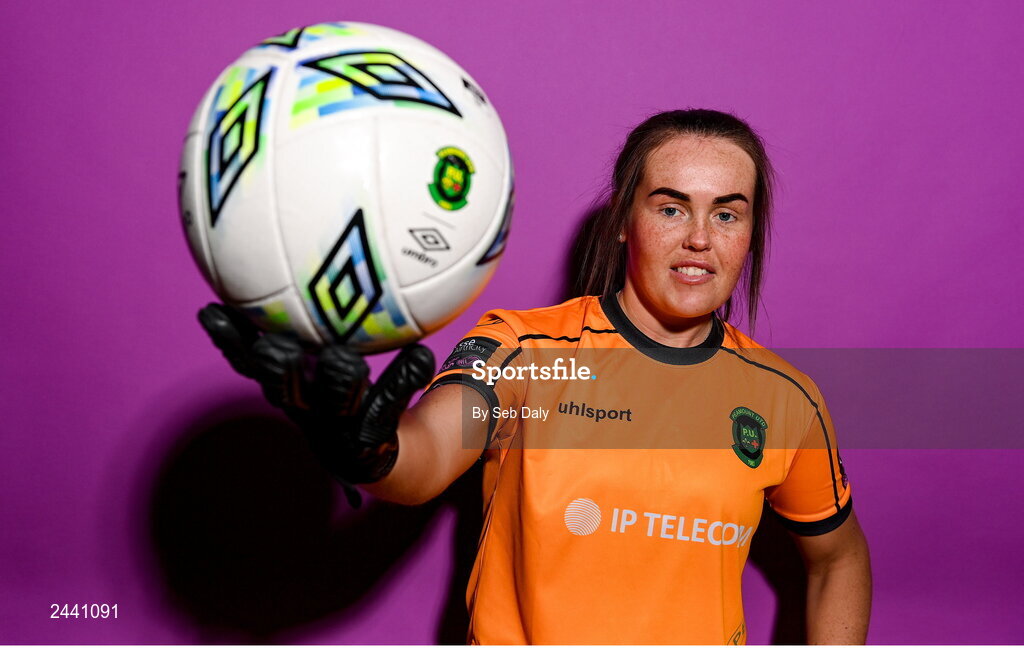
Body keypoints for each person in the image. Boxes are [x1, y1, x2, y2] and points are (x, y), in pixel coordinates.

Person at [200, 109, 871, 644]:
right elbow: (426, 456)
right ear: (621, 223)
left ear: (749, 232)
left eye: (727, 213)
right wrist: (363, 446)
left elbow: (838, 559)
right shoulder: (526, 347)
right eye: (670, 207)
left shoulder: (783, 399)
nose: (700, 237)